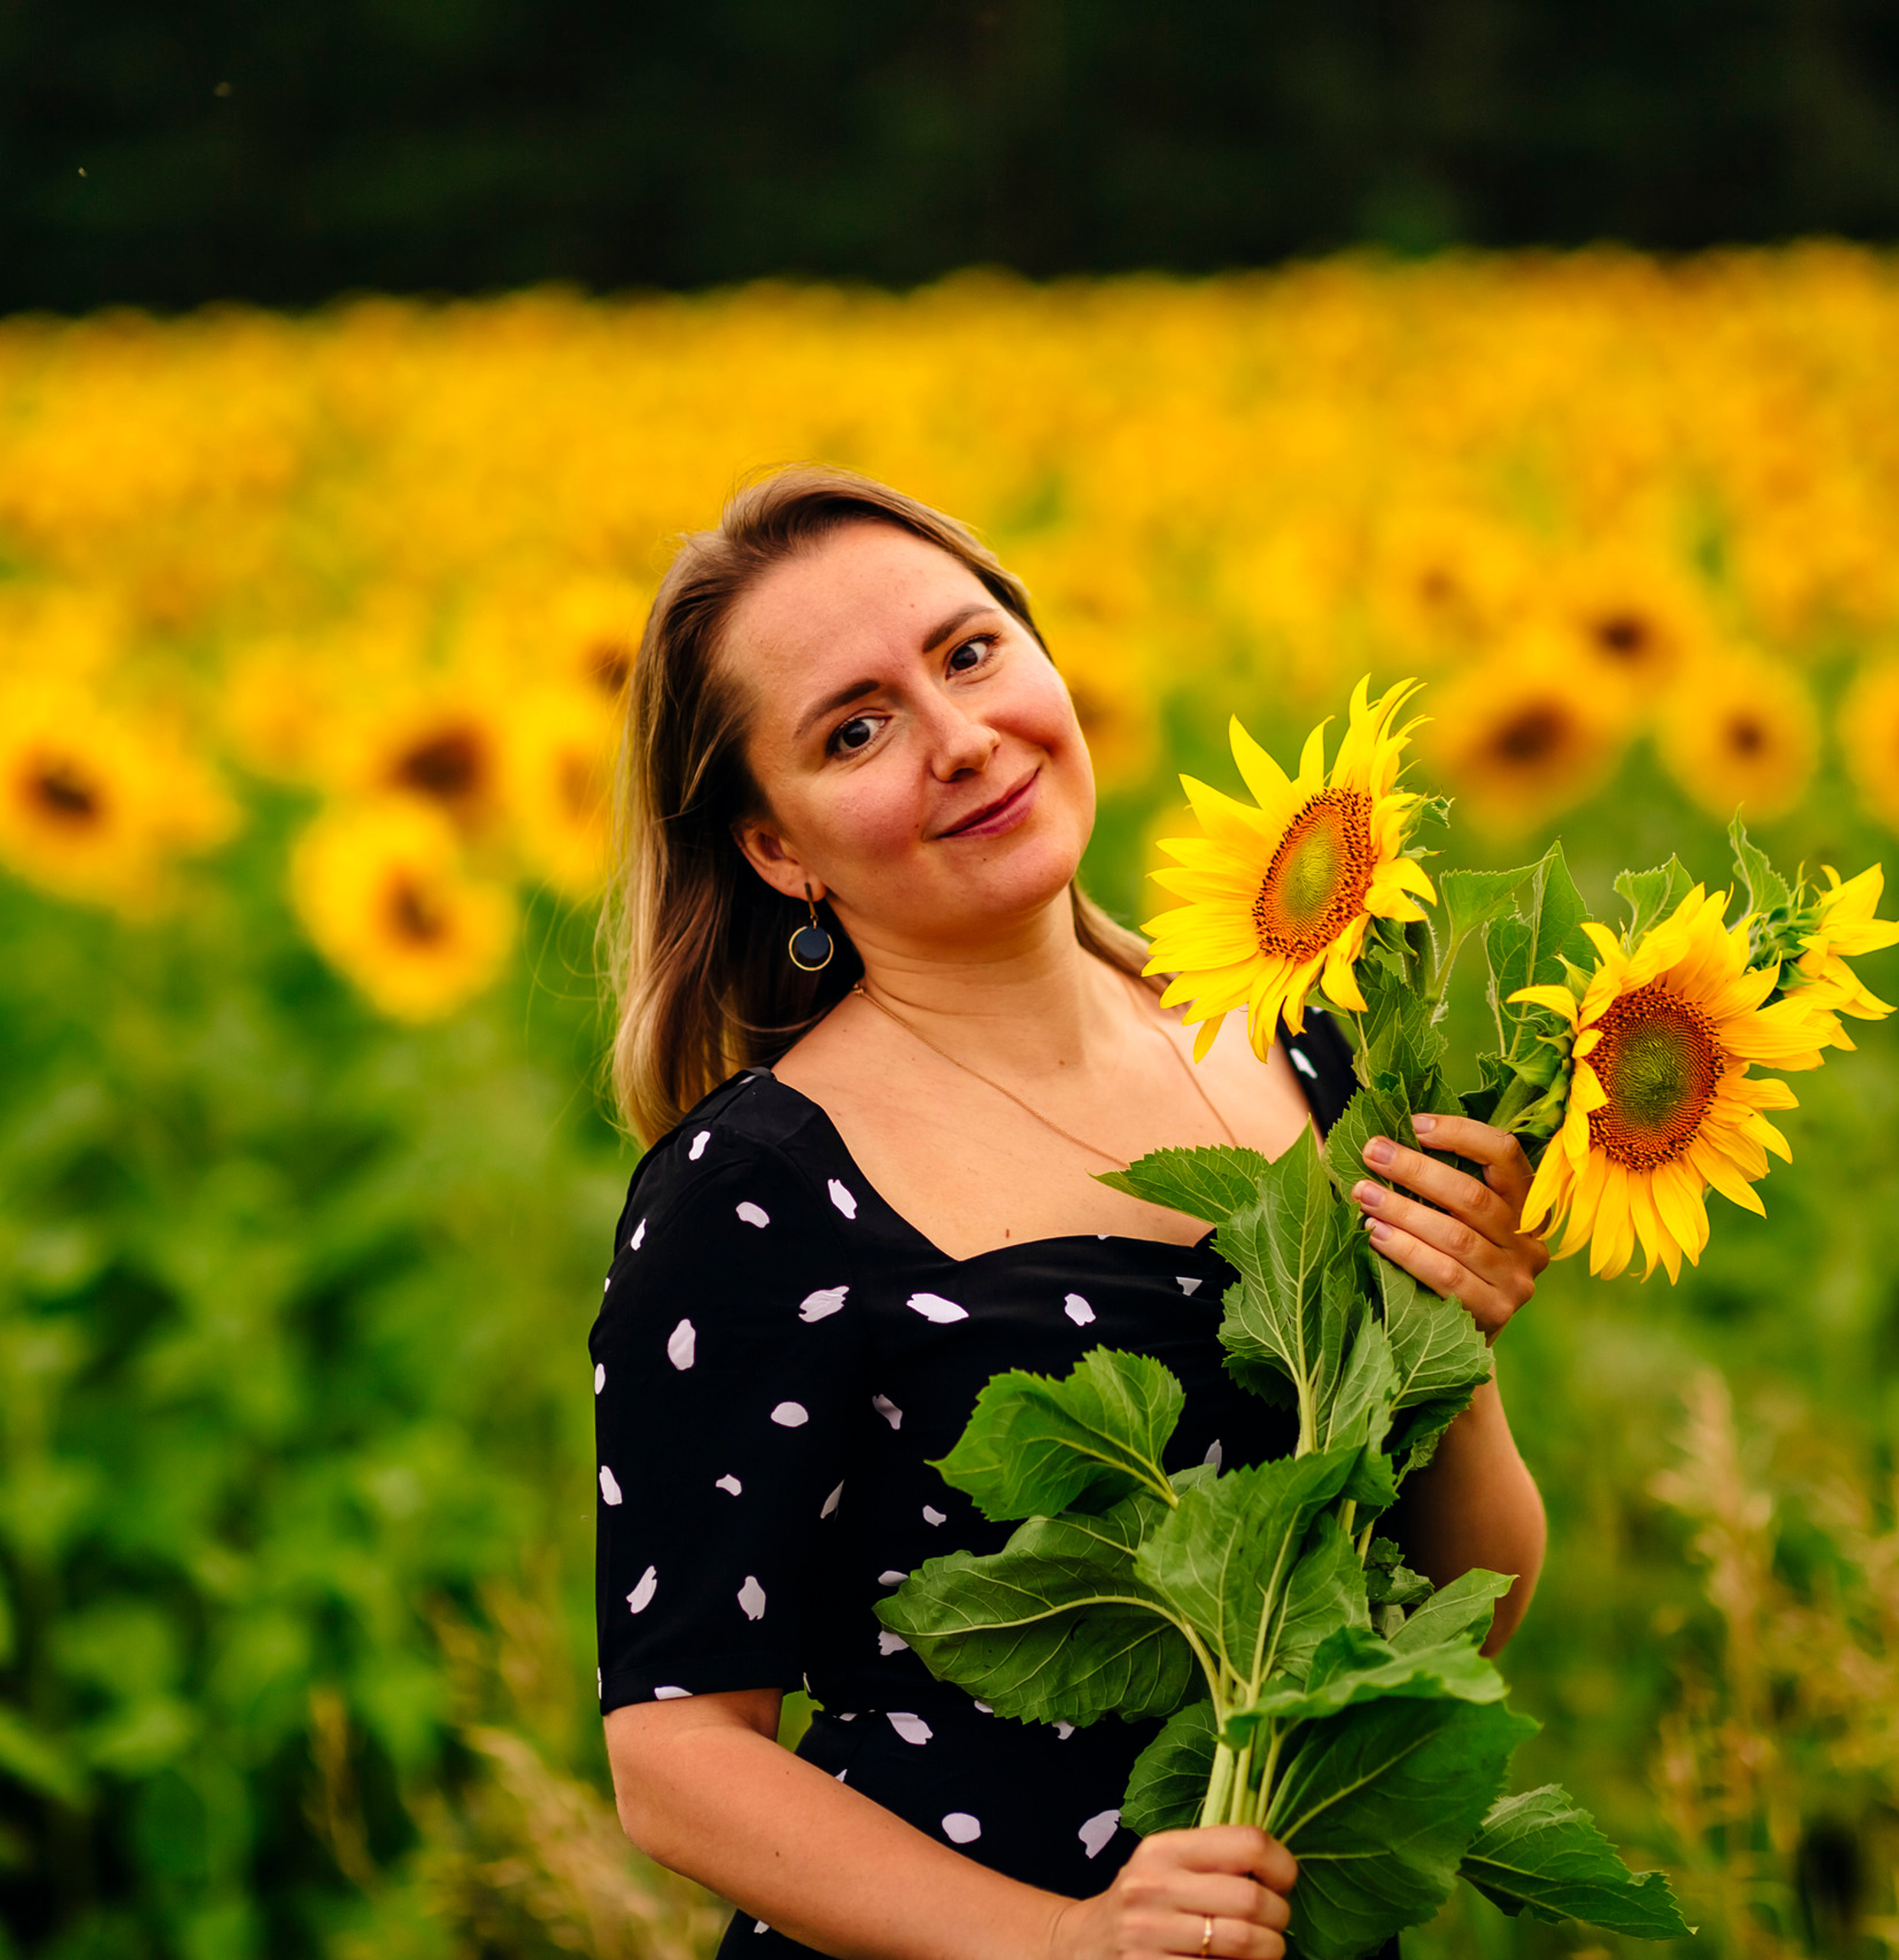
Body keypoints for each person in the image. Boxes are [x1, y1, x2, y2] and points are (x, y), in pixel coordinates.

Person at [592, 467, 1549, 1960]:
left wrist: (1454, 1332)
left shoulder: (1299, 1035)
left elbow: (1456, 1608)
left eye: (968, 652)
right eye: (855, 728)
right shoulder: (756, 1188)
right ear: (777, 846)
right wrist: (1066, 1939)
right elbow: (674, 1753)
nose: (961, 738)